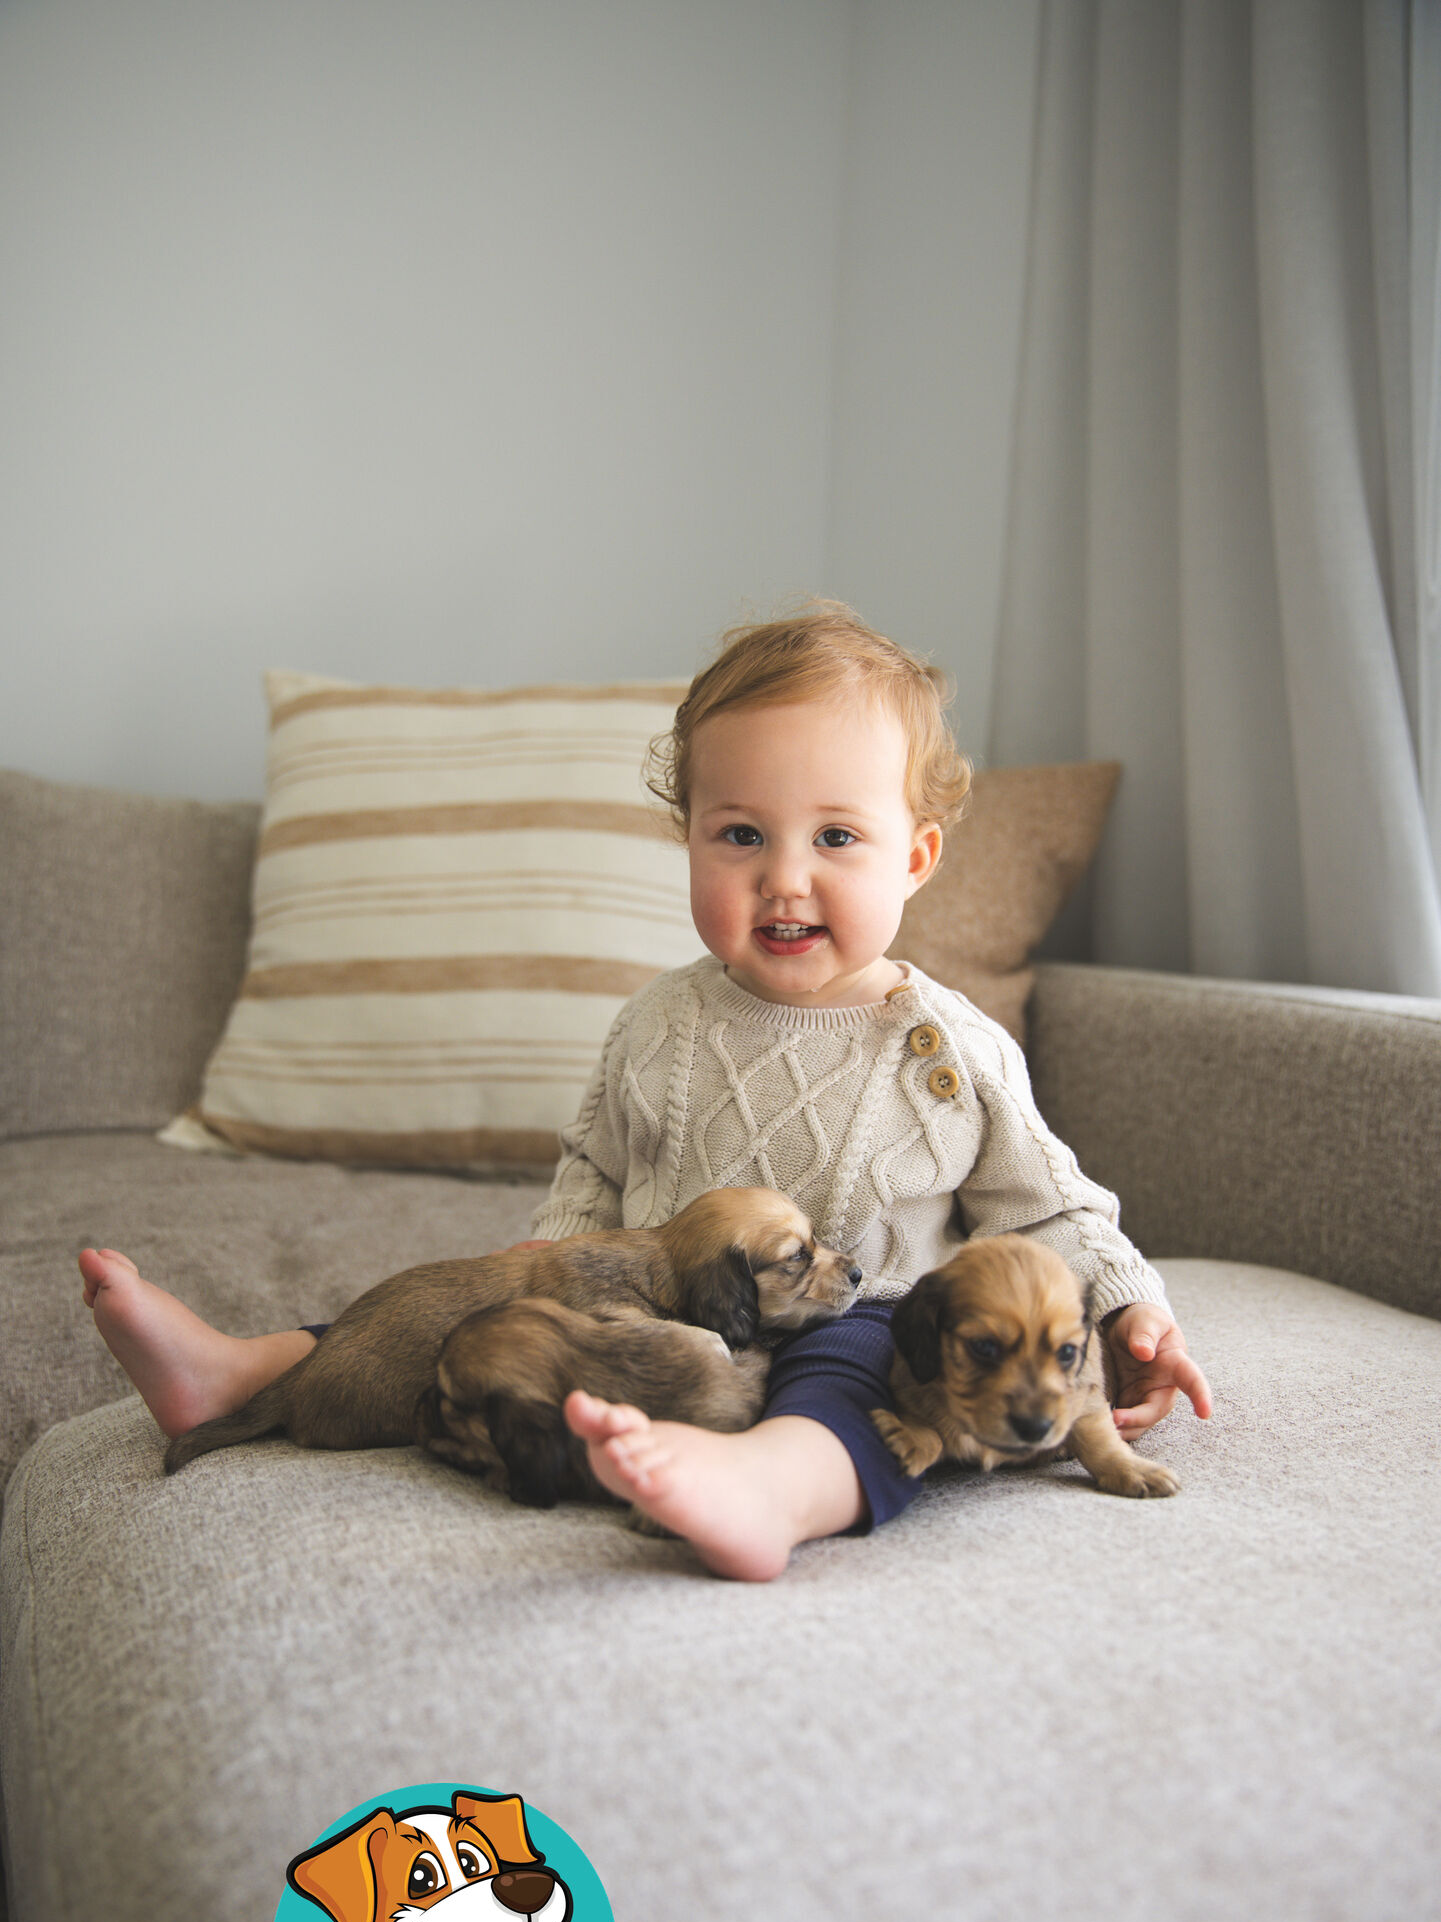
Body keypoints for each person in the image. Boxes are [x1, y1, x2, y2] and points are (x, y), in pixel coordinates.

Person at [80, 603, 1211, 1580]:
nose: (783, 877)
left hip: (863, 1316)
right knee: (456, 1312)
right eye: (739, 835)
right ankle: (247, 1372)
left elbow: (1050, 1209)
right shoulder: (658, 1023)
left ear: (913, 857)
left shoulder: (948, 1048)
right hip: (640, 1309)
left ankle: (770, 1490)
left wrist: (1127, 1310)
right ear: (685, 840)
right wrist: (555, 1247)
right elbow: (595, 1167)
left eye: (834, 836)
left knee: (845, 1380)